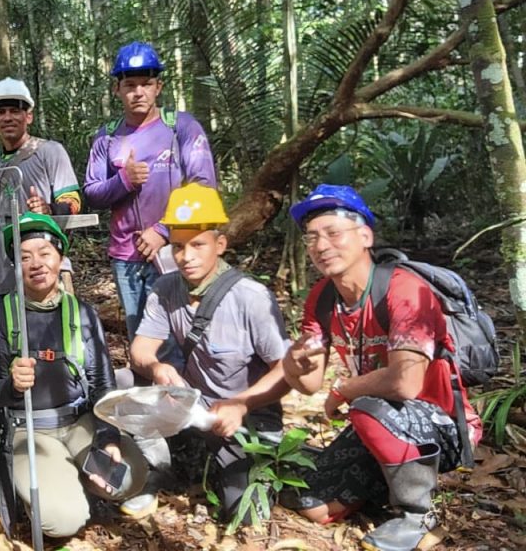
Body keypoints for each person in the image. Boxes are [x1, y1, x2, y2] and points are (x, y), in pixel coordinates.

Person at [280, 184, 482, 551]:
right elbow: (308, 384)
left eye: (333, 233)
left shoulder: (404, 290)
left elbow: (404, 384)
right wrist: (292, 361)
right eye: (311, 238)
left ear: (365, 236)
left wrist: (343, 389)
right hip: (377, 427)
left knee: (367, 406)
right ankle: (383, 489)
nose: (321, 246)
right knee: (314, 507)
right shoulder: (322, 297)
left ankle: (417, 515)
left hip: (441, 426)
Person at [0, 212, 152, 538]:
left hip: (79, 423)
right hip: (28, 430)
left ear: (61, 257)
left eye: (45, 253)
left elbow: (102, 384)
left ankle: (72, 477)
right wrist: (12, 387)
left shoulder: (82, 313)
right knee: (62, 521)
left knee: (129, 477)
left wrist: (109, 438)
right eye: (25, 257)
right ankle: (56, 487)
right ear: (16, 266)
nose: (36, 264)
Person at [127, 183, 290, 524]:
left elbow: (285, 370)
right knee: (120, 384)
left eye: (198, 245)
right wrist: (156, 367)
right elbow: (140, 350)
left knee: (246, 515)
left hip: (245, 415)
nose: (186, 257)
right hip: (194, 407)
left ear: (220, 244)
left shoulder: (251, 297)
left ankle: (240, 463)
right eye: (178, 247)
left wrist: (243, 404)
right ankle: (160, 465)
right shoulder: (166, 288)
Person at [84, 41, 216, 341]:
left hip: (176, 251)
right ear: (117, 89)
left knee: (183, 336)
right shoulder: (108, 136)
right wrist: (124, 181)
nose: (138, 92)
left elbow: (203, 186)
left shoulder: (181, 127)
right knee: (141, 339)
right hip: (126, 258)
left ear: (159, 86)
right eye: (130, 85)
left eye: (146, 84)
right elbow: (91, 191)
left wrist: (163, 230)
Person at [0, 77, 82, 305]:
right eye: (1, 111)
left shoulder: (50, 152)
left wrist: (49, 208)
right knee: (10, 335)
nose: (7, 117)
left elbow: (73, 201)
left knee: (56, 334)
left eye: (15, 111)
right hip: (4, 274)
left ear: (29, 116)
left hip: (46, 269)